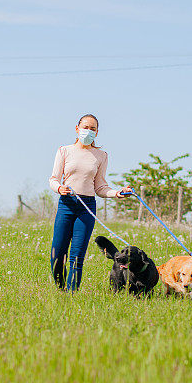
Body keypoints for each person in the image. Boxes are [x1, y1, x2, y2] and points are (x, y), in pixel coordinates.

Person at [48, 114, 131, 291]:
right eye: (85, 127)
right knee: (57, 256)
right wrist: (59, 188)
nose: (88, 131)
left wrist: (117, 193)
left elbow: (100, 186)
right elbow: (54, 179)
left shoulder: (101, 156)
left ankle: (70, 296)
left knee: (76, 257)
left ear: (97, 132)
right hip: (67, 205)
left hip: (87, 209)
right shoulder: (64, 151)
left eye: (92, 129)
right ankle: (60, 289)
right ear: (77, 128)